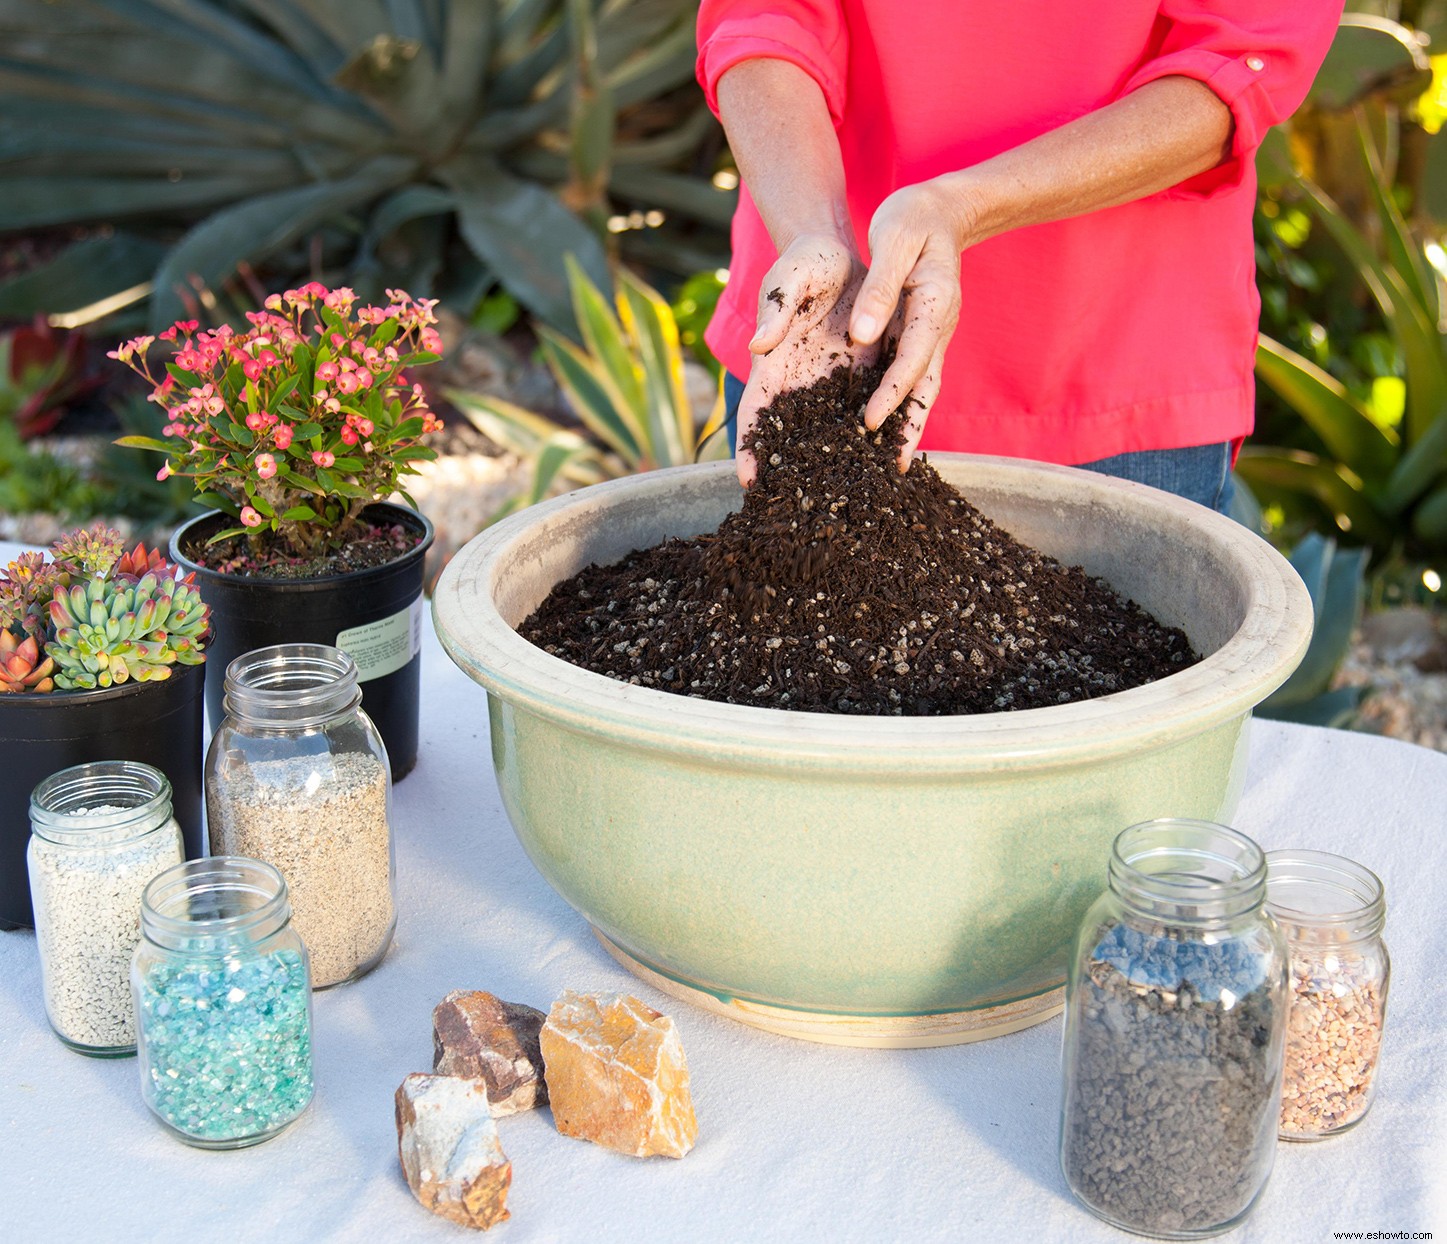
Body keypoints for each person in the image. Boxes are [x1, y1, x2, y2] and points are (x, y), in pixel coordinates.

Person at [696, 1, 1343, 512]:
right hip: (818, 338)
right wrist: (814, 232)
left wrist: (963, 205)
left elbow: (1236, 60)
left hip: (1109, 380)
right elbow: (761, 19)